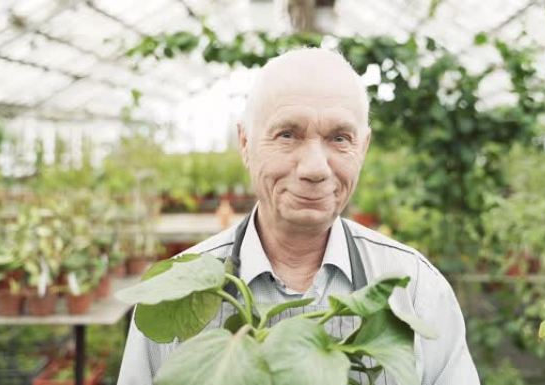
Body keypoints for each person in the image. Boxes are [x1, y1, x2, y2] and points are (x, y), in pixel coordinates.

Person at [117, 48, 479, 385]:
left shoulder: (416, 290)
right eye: (288, 134)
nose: (315, 168)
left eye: (339, 138)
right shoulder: (178, 289)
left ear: (363, 148)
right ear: (245, 143)